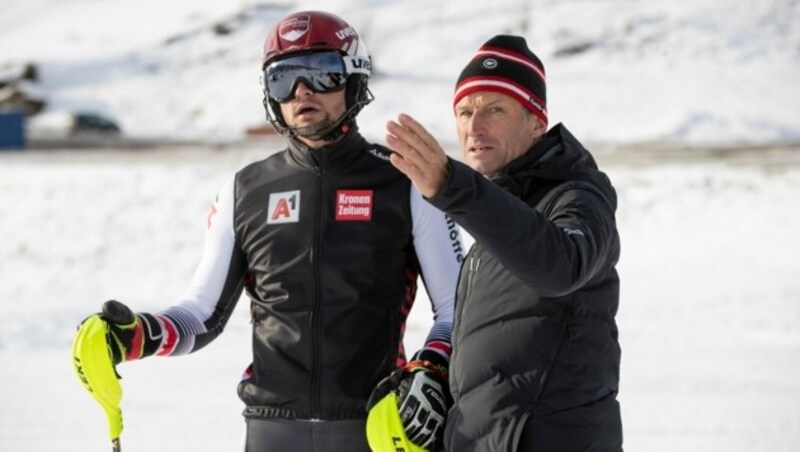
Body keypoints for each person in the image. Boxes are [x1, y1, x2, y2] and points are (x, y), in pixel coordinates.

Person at [85, 11, 464, 452]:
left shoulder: (405, 182)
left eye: (321, 73)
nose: (302, 91)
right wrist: (136, 336)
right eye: (283, 78)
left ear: (354, 80)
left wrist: (431, 367)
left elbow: (456, 310)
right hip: (271, 429)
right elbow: (202, 315)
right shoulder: (245, 189)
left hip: (373, 426)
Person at [383, 35, 623, 451]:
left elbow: (562, 265)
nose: (474, 127)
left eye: (495, 109)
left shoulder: (577, 195)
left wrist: (455, 188)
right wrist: (437, 370)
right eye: (464, 112)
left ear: (536, 122)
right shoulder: (496, 216)